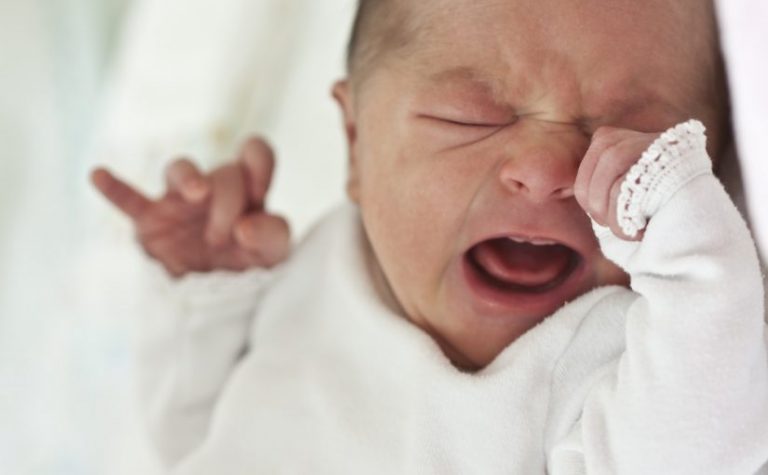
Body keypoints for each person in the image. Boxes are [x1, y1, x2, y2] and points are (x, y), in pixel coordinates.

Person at [91, 0, 768, 473]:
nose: (544, 171)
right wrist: (203, 293)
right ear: (355, 144)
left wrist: (694, 255)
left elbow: (700, 450)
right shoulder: (312, 269)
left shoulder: (621, 348)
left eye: (629, 137)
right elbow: (185, 437)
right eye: (470, 119)